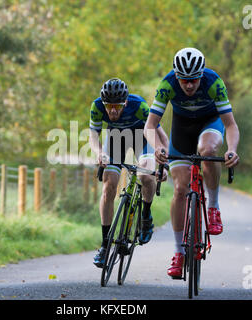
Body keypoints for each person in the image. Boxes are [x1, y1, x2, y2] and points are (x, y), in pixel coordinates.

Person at [144, 48, 240, 278]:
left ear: (201, 74)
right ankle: (178, 252)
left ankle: (214, 206)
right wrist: (157, 147)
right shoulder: (167, 84)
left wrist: (232, 150)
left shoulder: (213, 82)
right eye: (184, 80)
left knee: (207, 149)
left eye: (194, 80)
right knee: (180, 188)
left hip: (210, 122)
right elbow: (150, 126)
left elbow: (230, 125)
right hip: (181, 129)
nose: (189, 85)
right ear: (177, 76)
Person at [89, 78, 169, 268]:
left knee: (145, 175)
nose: (113, 111)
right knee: (109, 186)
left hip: (142, 138)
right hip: (117, 140)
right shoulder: (97, 107)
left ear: (125, 102)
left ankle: (146, 217)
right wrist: (100, 153)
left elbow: (161, 136)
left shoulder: (139, 106)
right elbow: (93, 136)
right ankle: (105, 244)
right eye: (109, 106)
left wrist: (164, 165)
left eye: (118, 106)